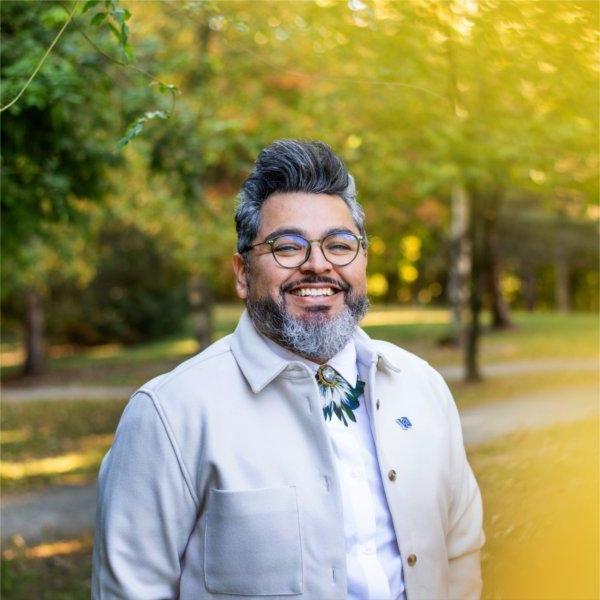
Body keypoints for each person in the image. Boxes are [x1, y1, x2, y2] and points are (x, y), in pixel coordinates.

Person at [92, 139, 484, 600]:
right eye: (287, 246)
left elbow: (460, 550)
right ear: (242, 273)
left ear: (362, 262)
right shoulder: (170, 415)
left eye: (340, 245)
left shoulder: (423, 388)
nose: (318, 265)